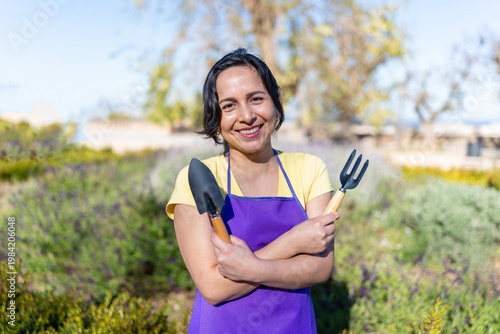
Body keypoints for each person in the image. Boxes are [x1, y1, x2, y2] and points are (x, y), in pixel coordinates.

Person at [166, 48, 339, 333]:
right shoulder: (197, 178)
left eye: (256, 99)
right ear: (215, 117)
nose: (247, 116)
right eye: (229, 105)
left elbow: (320, 269)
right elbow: (212, 287)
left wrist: (249, 266)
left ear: (275, 103)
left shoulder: (309, 169)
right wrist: (293, 242)